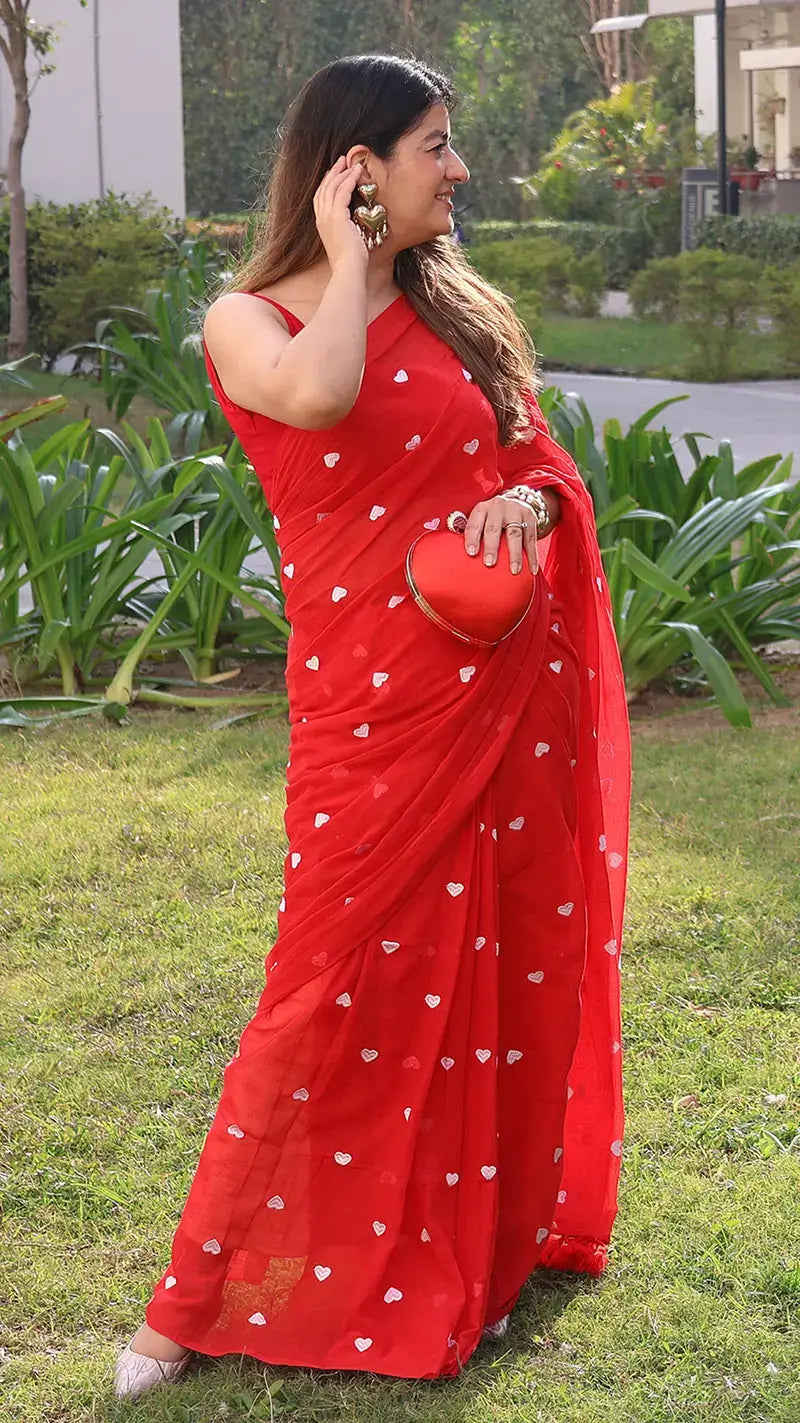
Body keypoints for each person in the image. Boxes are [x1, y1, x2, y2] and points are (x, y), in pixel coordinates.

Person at [113, 51, 630, 1398]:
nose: (459, 170)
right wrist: (351, 264)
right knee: (324, 986)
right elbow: (320, 399)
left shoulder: (456, 308)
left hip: (494, 684)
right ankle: (195, 1301)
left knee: (504, 962)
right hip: (372, 707)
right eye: (435, 149)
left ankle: (487, 1254)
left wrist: (533, 506)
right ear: (355, 168)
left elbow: (524, 458)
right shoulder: (248, 319)